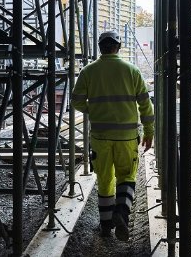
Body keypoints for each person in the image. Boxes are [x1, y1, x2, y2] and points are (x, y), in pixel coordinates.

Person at [71, 30, 155, 241]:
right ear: (118, 47)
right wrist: (149, 131)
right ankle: (122, 214)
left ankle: (106, 226)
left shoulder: (88, 71)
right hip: (127, 137)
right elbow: (146, 105)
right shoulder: (132, 71)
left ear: (101, 47)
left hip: (100, 137)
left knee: (105, 179)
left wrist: (96, 110)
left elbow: (77, 101)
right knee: (126, 177)